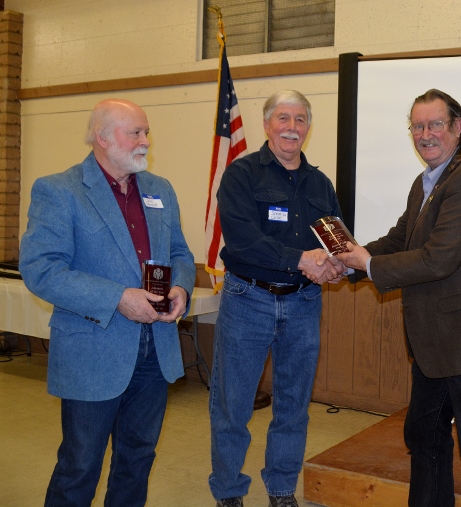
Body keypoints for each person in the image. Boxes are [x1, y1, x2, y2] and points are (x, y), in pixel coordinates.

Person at [336, 89, 461, 507]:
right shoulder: (425, 182)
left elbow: (439, 259)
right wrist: (348, 261)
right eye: (417, 126)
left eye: (435, 124)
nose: (425, 134)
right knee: (424, 436)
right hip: (437, 344)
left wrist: (368, 266)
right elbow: (399, 240)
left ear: (457, 128)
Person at [19, 98, 195, 507]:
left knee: (137, 460)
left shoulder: (160, 190)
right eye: (134, 132)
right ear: (101, 137)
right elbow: (42, 269)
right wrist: (117, 298)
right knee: (80, 467)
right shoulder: (59, 190)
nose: (145, 141)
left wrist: (181, 289)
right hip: (92, 351)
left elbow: (182, 254)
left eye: (146, 131)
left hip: (155, 352)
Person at [208, 89, 345, 507]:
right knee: (233, 404)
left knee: (294, 404)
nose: (292, 127)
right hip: (248, 299)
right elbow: (244, 241)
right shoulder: (241, 175)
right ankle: (229, 490)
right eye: (283, 118)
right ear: (268, 125)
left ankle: (282, 488)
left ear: (308, 127)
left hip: (303, 304)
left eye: (300, 119)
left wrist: (340, 264)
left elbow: (335, 236)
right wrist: (303, 259)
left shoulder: (320, 182)